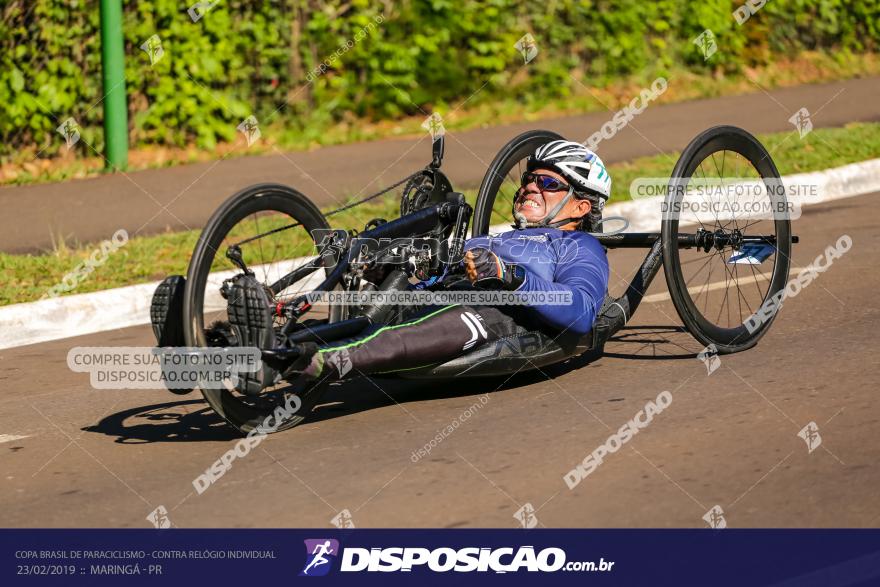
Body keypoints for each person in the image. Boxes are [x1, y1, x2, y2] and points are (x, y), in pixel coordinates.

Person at [227, 140, 611, 392]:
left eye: (547, 182)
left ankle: (287, 362)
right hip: (428, 297)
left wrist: (510, 276)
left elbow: (580, 312)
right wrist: (383, 263)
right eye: (528, 180)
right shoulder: (491, 239)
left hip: (493, 313)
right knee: (357, 314)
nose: (529, 187)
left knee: (396, 340)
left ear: (581, 206)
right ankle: (230, 342)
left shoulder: (579, 245)